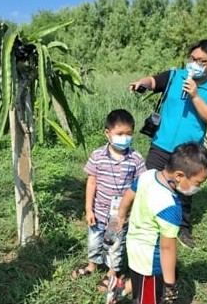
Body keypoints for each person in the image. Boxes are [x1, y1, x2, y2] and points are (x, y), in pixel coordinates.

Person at [129, 39, 207, 248]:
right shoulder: (175, 76)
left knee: (184, 190)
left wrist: (195, 95)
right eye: (192, 58)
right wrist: (142, 83)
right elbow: (154, 81)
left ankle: (182, 228)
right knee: (150, 182)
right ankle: (144, 219)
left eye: (201, 61)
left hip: (188, 151)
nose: (194, 64)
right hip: (162, 142)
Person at [116, 142, 207, 304]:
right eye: (198, 183)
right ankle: (126, 293)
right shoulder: (170, 206)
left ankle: (122, 289)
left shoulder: (148, 175)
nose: (199, 187)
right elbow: (167, 247)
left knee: (139, 280)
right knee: (148, 298)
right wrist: (170, 285)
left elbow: (129, 193)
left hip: (134, 247)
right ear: (179, 176)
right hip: (150, 264)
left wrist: (121, 215)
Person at [71, 109, 146, 289]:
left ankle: (112, 272)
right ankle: (92, 265)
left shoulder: (135, 159)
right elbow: (91, 183)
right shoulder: (98, 156)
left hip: (117, 216)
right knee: (94, 240)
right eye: (120, 134)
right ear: (107, 133)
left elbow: (140, 187)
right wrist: (88, 209)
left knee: (114, 244)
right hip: (98, 213)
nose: (125, 137)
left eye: (129, 134)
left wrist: (131, 212)